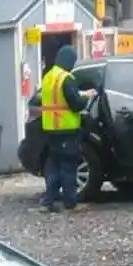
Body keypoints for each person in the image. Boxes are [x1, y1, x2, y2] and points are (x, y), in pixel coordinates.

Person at [38, 44, 93, 213]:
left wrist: (80, 94)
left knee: (54, 167)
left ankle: (48, 201)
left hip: (50, 129)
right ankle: (71, 203)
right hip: (67, 130)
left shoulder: (48, 76)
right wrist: (87, 98)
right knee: (68, 167)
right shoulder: (67, 78)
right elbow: (74, 104)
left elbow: (57, 99)